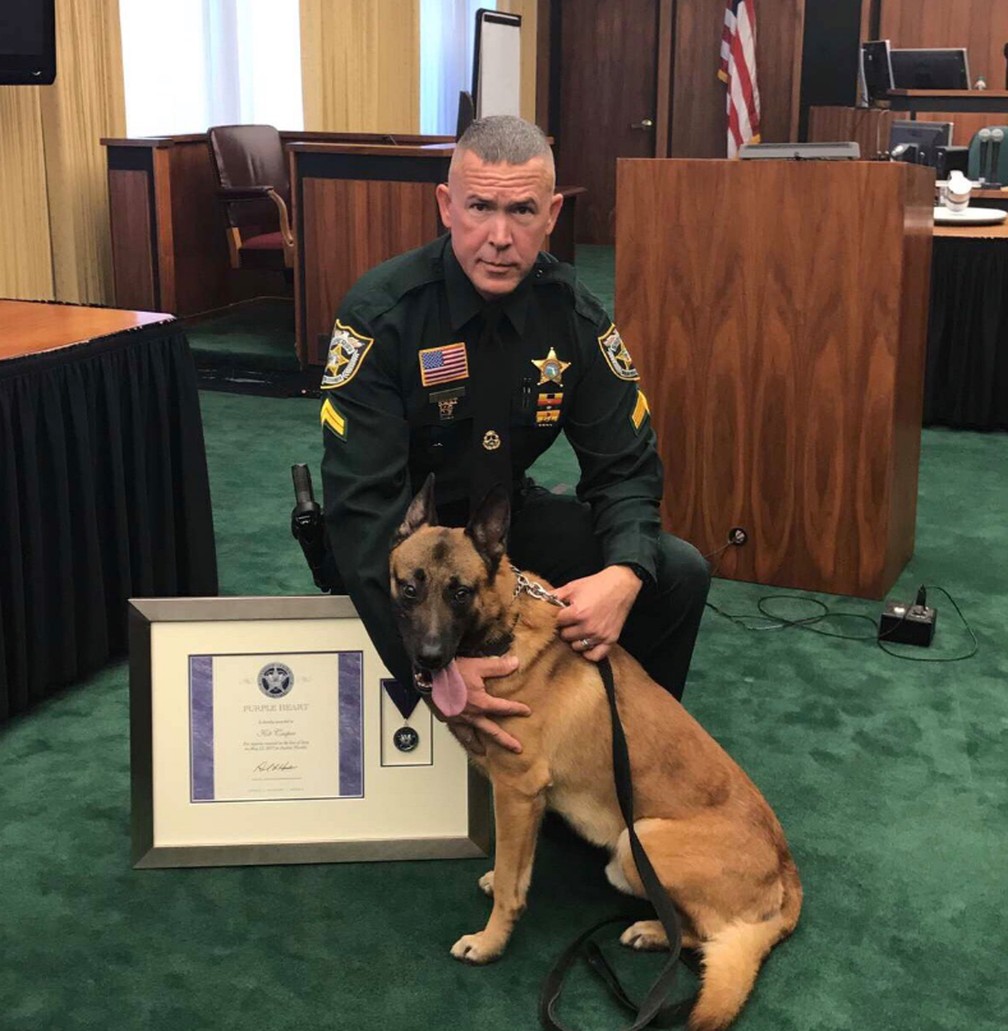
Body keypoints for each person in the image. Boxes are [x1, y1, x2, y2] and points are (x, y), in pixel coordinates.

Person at [319, 115, 709, 753]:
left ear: (551, 214)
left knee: (676, 573)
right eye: (480, 207)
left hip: (499, 519)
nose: (499, 238)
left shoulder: (572, 313)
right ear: (448, 206)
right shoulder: (382, 315)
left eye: (522, 211)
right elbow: (362, 507)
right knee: (402, 583)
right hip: (407, 537)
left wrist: (625, 571)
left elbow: (625, 464)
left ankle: (623, 760)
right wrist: (431, 674)